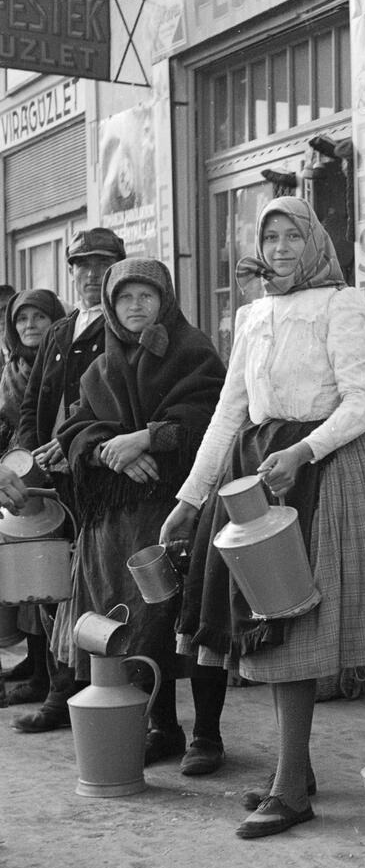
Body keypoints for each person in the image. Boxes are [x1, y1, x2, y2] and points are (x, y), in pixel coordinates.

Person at [161, 197, 365, 839]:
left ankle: (291, 788)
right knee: (265, 624)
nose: (281, 248)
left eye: (293, 235)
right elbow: (229, 411)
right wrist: (190, 499)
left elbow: (363, 403)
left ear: (314, 241)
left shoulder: (340, 304)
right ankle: (296, 770)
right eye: (270, 237)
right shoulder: (252, 315)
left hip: (324, 469)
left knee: (293, 627)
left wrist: (303, 452)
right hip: (258, 471)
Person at [52, 258, 229, 772]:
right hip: (120, 520)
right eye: (125, 297)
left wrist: (148, 438)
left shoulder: (193, 351)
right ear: (110, 306)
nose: (135, 306)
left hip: (182, 509)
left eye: (146, 296)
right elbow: (75, 429)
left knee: (192, 618)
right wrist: (114, 453)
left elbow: (212, 418)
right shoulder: (100, 367)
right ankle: (162, 727)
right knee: (137, 622)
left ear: (164, 301)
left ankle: (208, 735)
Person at [13, 227, 126, 734]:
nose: (91, 275)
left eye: (102, 265)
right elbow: (32, 404)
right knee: (50, 585)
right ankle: (60, 686)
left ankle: (87, 691)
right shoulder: (61, 331)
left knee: (96, 586)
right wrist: (23, 460)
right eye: (82, 265)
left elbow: (113, 403)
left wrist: (75, 443)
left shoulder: (123, 327)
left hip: (100, 476)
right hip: (51, 480)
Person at [0, 287, 66, 706]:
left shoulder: (64, 360)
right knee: (24, 576)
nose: (30, 326)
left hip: (53, 474)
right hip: (14, 477)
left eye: (39, 317)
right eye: (22, 319)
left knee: (50, 577)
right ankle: (37, 665)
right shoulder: (12, 369)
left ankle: (53, 677)